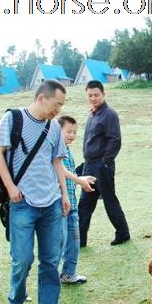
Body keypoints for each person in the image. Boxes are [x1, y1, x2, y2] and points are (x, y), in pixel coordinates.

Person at [0, 80, 70, 304]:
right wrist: (10, 188)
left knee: (51, 260)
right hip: (22, 202)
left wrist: (65, 195)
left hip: (51, 203)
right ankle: (15, 301)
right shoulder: (13, 119)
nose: (58, 109)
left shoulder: (54, 128)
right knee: (22, 259)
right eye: (56, 104)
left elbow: (57, 162)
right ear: (41, 98)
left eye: (61, 105)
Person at [78, 80, 131, 247]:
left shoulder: (109, 114)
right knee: (85, 203)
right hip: (89, 166)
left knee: (109, 200)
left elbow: (115, 140)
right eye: (90, 95)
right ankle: (79, 239)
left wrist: (105, 162)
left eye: (96, 95)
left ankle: (123, 233)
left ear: (103, 94)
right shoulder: (92, 114)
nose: (93, 98)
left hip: (102, 166)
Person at [58, 115, 96, 284]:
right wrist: (79, 180)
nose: (72, 135)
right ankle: (53, 275)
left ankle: (68, 273)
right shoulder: (56, 150)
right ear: (58, 131)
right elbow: (61, 171)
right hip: (60, 203)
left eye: (74, 132)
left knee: (74, 240)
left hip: (71, 203)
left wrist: (82, 179)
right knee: (60, 242)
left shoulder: (67, 150)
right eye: (68, 131)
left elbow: (68, 174)